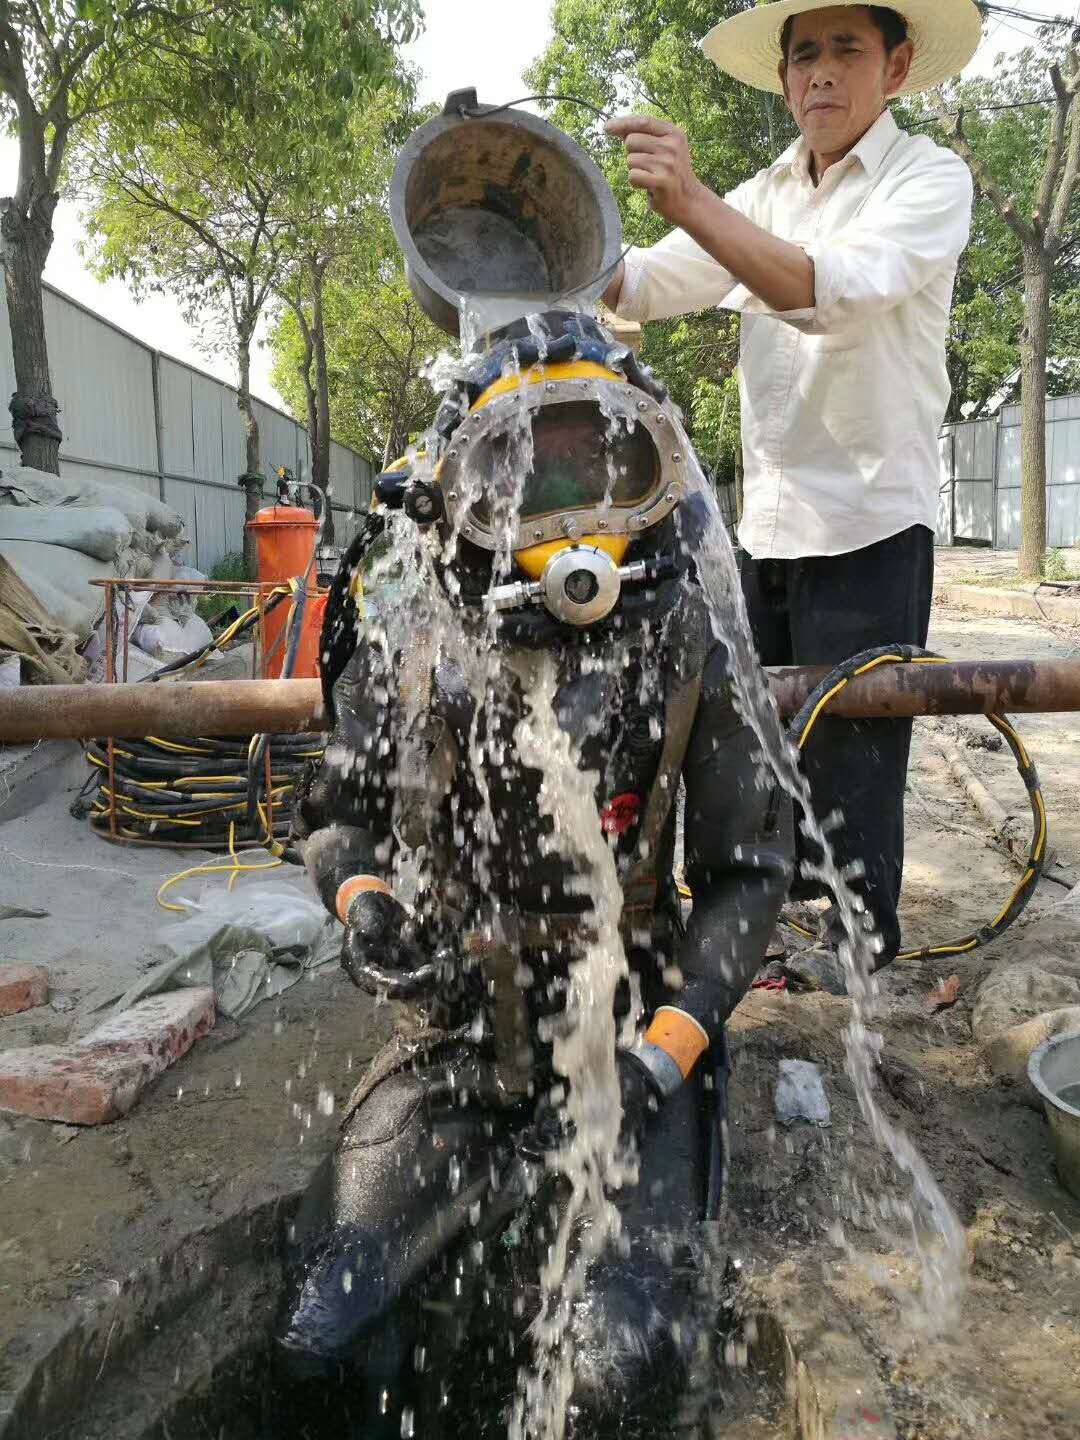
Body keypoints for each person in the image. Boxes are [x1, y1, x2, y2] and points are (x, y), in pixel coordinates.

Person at [278, 308, 792, 1433]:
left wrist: (668, 1054)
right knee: (326, 1333)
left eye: (610, 465)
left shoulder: (691, 635)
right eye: (519, 469)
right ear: (456, 488)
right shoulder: (413, 626)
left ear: (661, 473)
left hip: (642, 1028)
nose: (576, 525)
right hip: (459, 1029)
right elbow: (335, 817)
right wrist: (365, 905)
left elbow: (751, 873)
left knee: (624, 1374)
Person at [602, 0, 981, 979]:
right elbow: (642, 285)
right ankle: (764, 938)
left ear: (895, 69)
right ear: (782, 81)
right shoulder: (765, 191)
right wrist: (557, 225)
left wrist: (693, 203)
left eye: (845, 49)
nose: (821, 72)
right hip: (764, 527)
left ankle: (853, 960)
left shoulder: (927, 179)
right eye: (803, 53)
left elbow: (831, 291)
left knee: (851, 761)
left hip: (870, 521)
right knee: (753, 753)